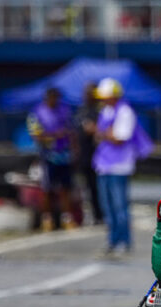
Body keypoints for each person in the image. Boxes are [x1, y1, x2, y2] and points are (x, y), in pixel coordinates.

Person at [92, 78, 153, 254]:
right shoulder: (106, 111)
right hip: (103, 164)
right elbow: (104, 135)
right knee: (107, 206)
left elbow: (119, 138)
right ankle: (113, 240)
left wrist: (103, 134)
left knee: (120, 206)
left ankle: (124, 241)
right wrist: (105, 134)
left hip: (120, 165)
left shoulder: (125, 111)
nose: (102, 99)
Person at [27, 87, 76, 231]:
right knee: (46, 189)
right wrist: (54, 135)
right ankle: (47, 219)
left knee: (66, 188)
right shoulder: (36, 112)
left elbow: (71, 131)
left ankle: (67, 218)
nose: (55, 101)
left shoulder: (65, 110)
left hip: (65, 156)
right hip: (47, 155)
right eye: (53, 97)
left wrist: (74, 150)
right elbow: (35, 135)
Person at [74, 83, 104, 224]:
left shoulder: (102, 110)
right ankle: (97, 215)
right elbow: (78, 131)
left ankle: (104, 214)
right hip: (85, 155)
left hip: (101, 156)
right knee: (89, 187)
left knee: (102, 186)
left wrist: (96, 130)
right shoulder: (82, 110)